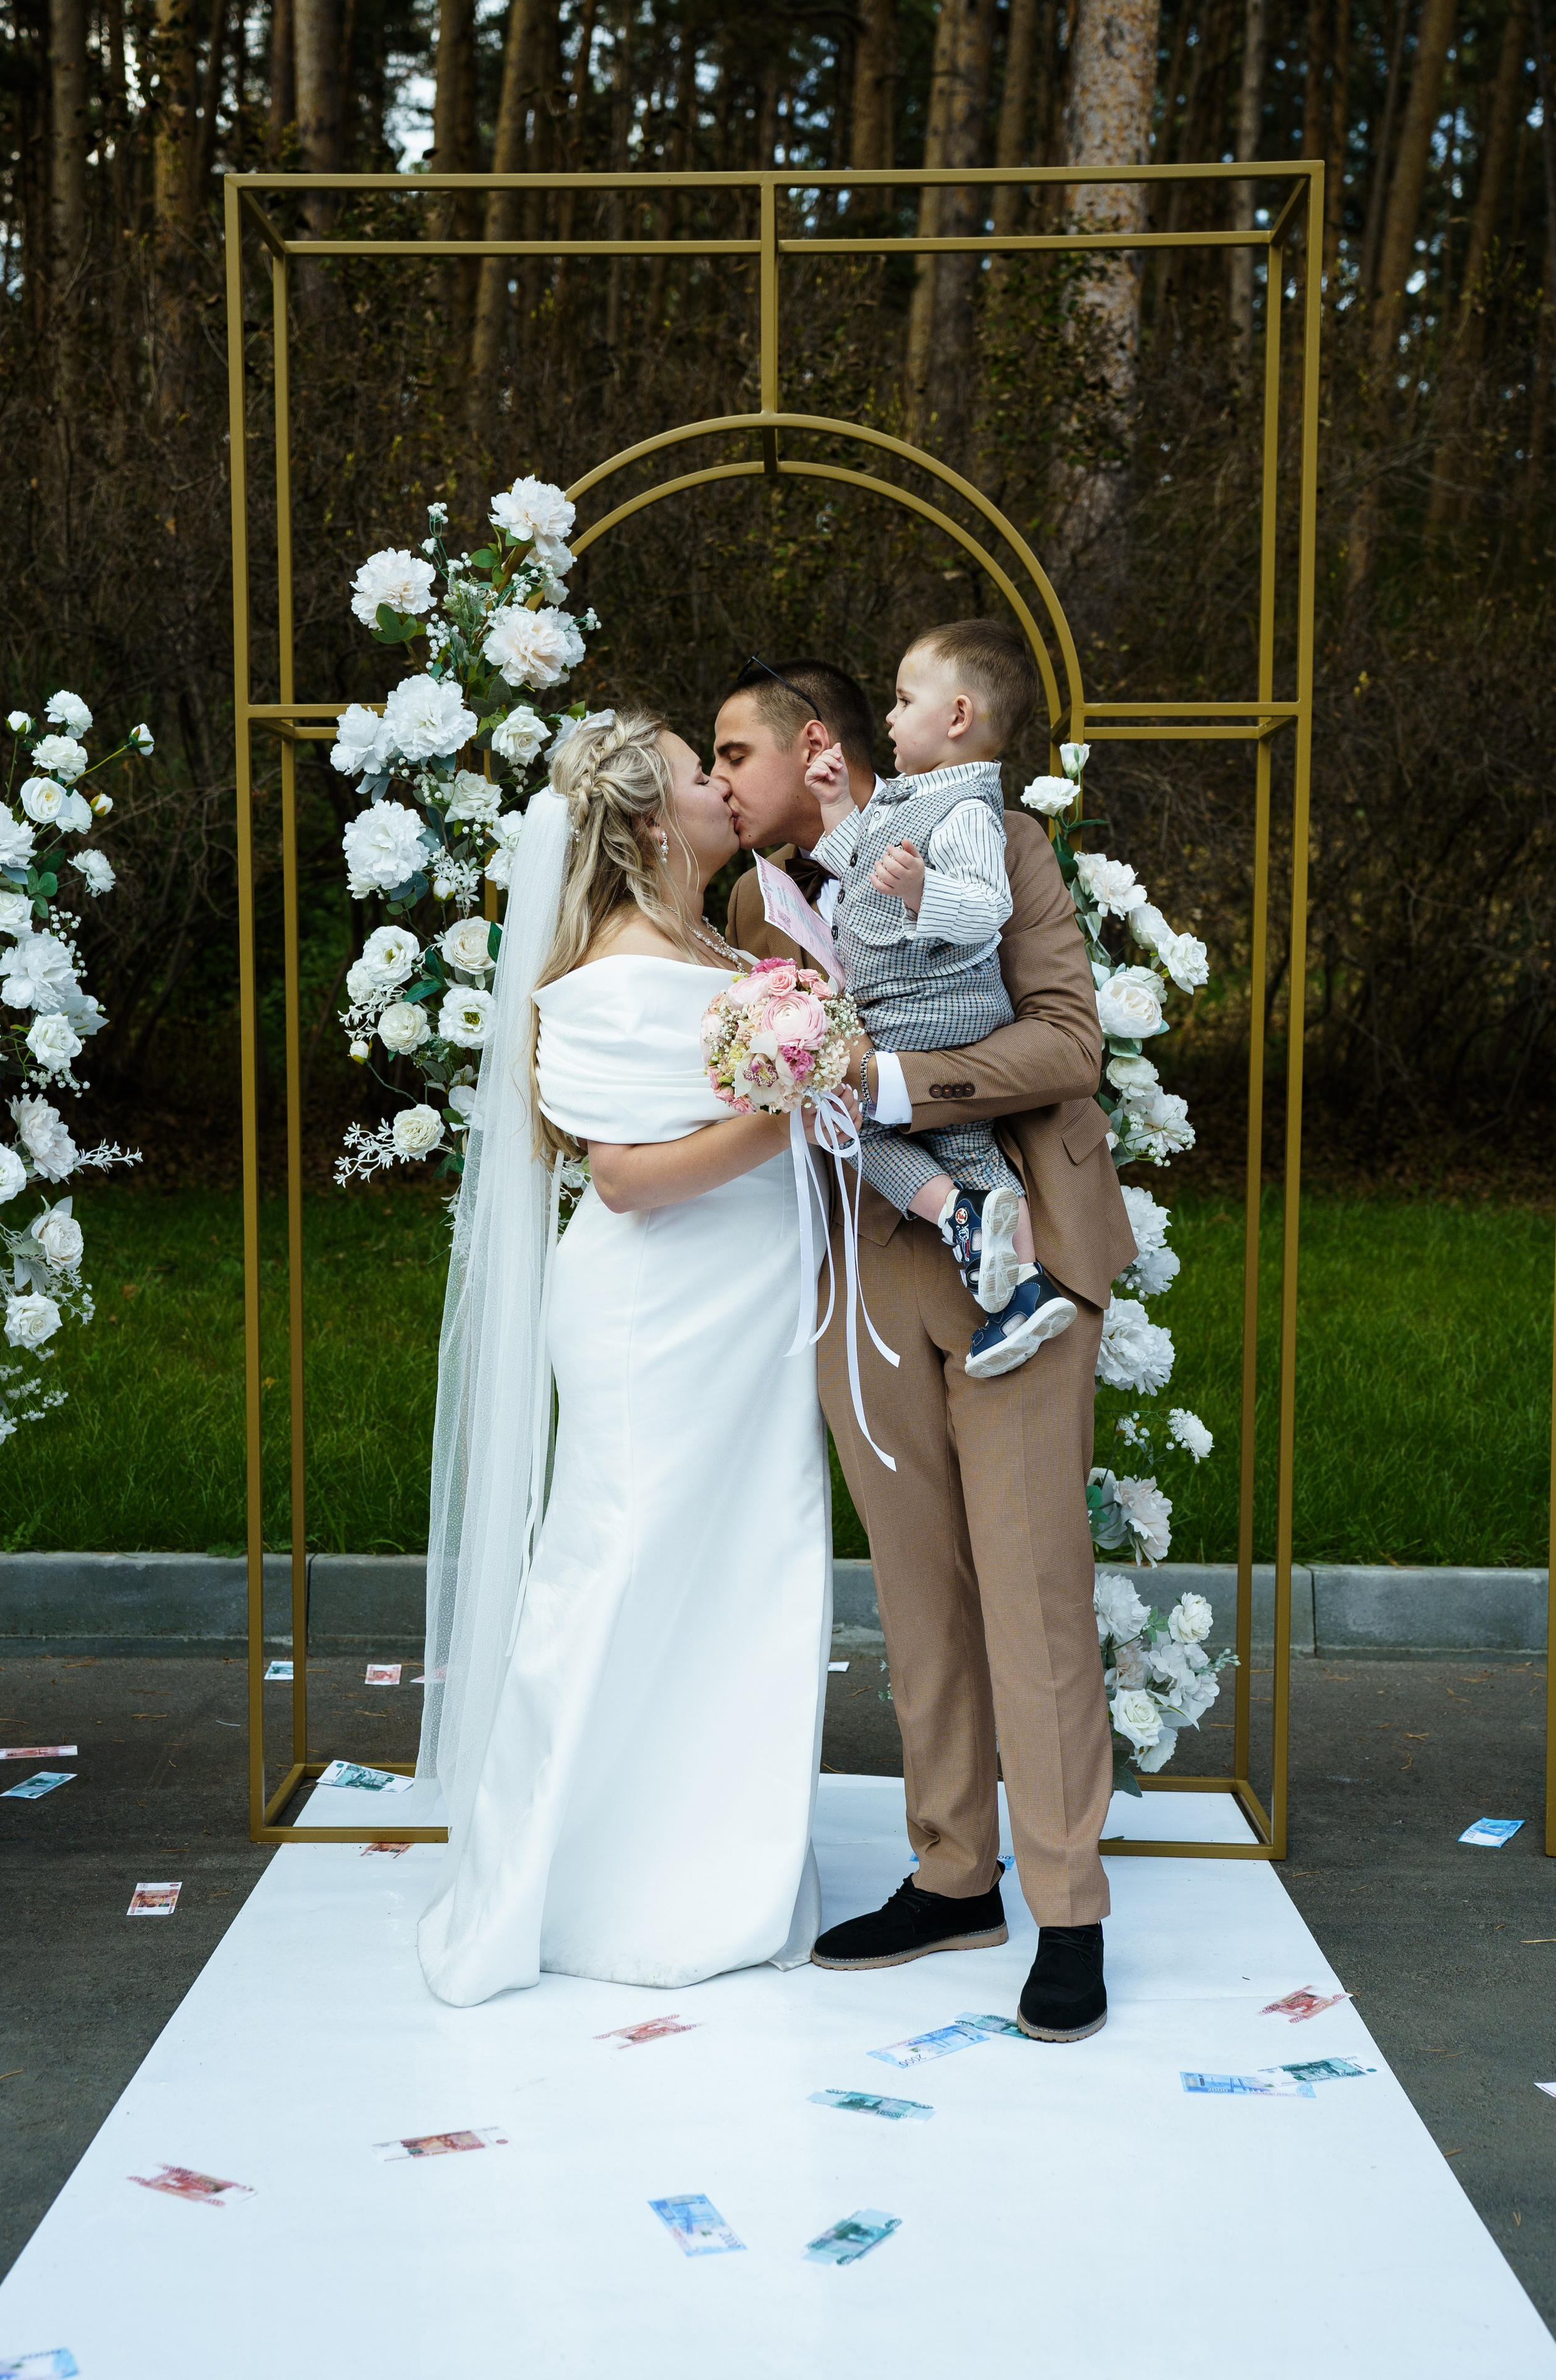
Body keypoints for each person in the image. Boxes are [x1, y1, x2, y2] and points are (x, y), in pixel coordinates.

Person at [716, 653, 1137, 2043]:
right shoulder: (747, 905)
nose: (727, 783)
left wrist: (890, 1081)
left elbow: (1066, 1040)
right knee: (917, 1597)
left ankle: (1065, 1908)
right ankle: (954, 1874)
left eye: (740, 752)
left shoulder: (984, 841)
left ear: (819, 746)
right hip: (864, 1264)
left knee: (1030, 1586)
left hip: (1012, 1243)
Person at [416, 710, 833, 2008]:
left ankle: (712, 1868)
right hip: (657, 1318)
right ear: (653, 823)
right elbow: (626, 1177)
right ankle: (572, 1882)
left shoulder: (723, 940)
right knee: (619, 1568)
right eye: (699, 775)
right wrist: (791, 1113)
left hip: (744, 1314)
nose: (724, 786)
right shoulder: (606, 969)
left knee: (743, 1568)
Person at [801, 620, 1077, 1378]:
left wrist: (925, 891)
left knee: (849, 1129)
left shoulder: (964, 810)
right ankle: (1022, 1290)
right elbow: (857, 866)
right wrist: (833, 811)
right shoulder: (908, 800)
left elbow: (985, 906)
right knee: (966, 1149)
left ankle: (955, 1216)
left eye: (900, 700)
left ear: (956, 717)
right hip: (920, 1005)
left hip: (928, 1007)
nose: (886, 719)